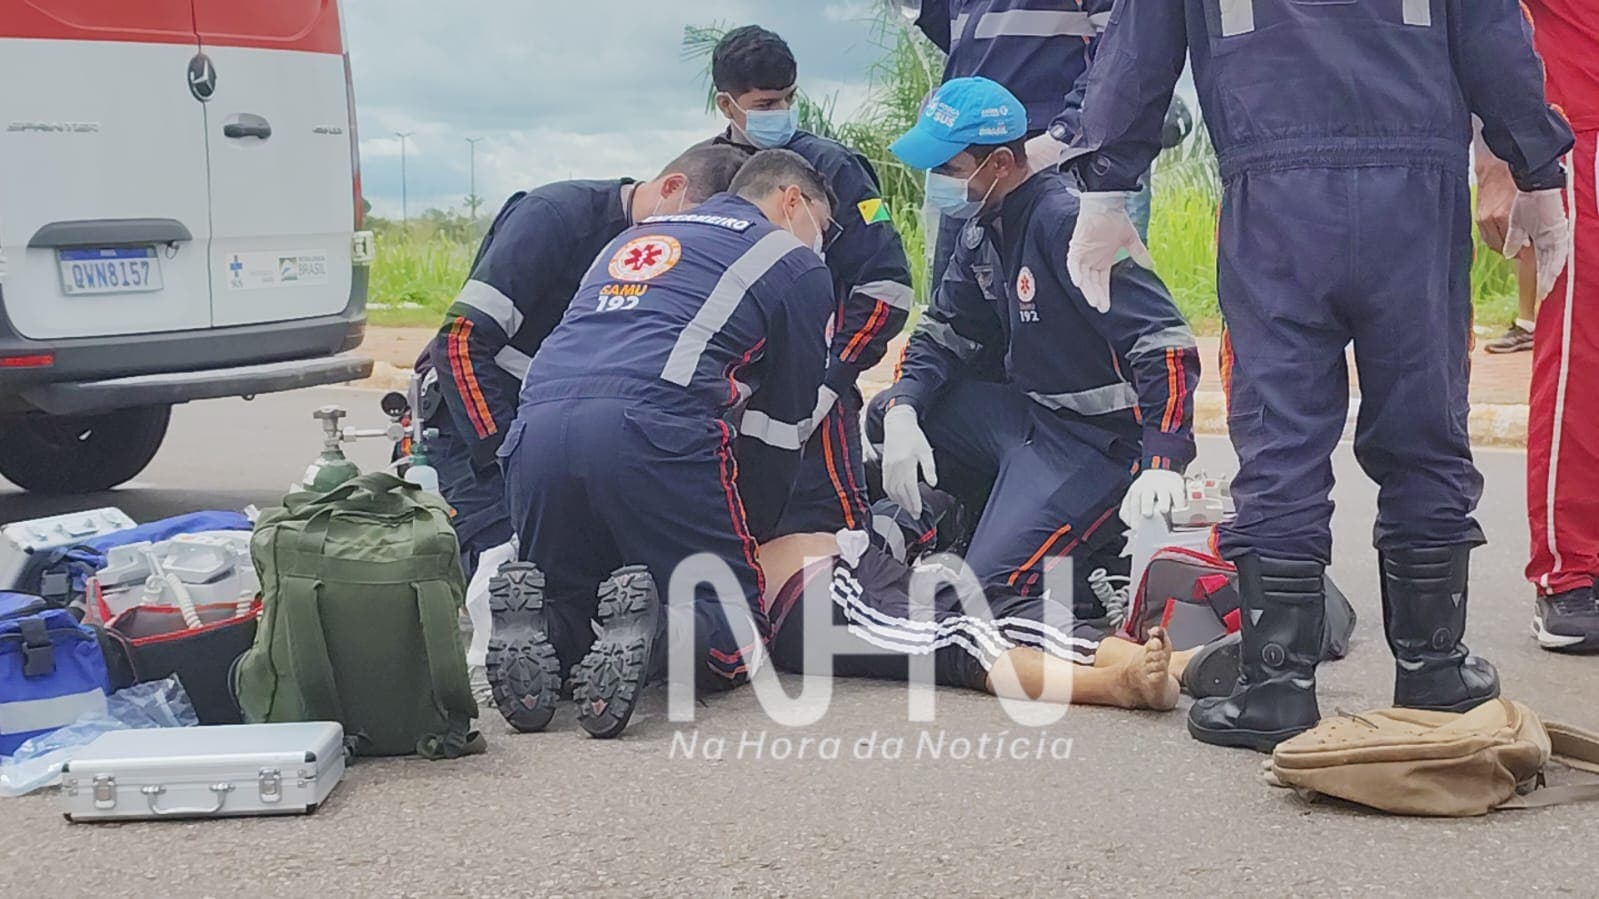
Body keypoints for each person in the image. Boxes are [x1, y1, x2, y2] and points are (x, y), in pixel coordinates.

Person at [1067, 0, 1575, 751]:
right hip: (1413, 196)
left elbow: (1138, 49)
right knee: (1424, 423)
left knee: (1279, 433)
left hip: (1274, 198)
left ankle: (1275, 682)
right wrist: (1536, 168)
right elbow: (1493, 36)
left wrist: (1104, 188)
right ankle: (1434, 667)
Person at [491, 150, 837, 739]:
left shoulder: (635, 237)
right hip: (652, 429)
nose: (818, 242)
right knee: (734, 624)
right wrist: (751, 532)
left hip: (536, 428)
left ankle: (544, 627)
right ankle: (656, 634)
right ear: (791, 201)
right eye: (821, 227)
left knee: (574, 594)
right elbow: (779, 428)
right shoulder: (793, 262)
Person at [868, 77, 1200, 620]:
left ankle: (1079, 569)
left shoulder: (1068, 224)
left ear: (1000, 163)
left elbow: (1162, 340)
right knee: (889, 412)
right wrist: (904, 406)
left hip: (1096, 444)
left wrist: (1163, 458)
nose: (938, 182)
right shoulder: (984, 228)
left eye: (949, 168)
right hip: (1028, 418)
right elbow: (944, 331)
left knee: (982, 598)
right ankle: (981, 523)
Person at [418, 146, 748, 575]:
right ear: (672, 187)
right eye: (698, 222)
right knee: (509, 572)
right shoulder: (554, 217)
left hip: (564, 435)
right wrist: (505, 457)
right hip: (479, 425)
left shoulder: (673, 254)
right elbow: (460, 340)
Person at [701, 25, 915, 540]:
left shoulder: (834, 169)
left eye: (788, 99)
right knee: (731, 534)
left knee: (838, 537)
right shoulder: (703, 174)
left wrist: (829, 381)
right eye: (765, 103)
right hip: (725, 396)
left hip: (816, 386)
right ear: (727, 105)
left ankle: (914, 525)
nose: (780, 112)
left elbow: (885, 287)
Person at [902, 0, 1190, 286]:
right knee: (960, 291)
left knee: (1087, 288)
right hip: (967, 154)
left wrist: (1062, 136)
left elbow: (1125, 49)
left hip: (1053, 157)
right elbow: (963, 37)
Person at [1476, 0, 1599, 652]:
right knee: (1582, 360)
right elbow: (1484, 14)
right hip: (1582, 128)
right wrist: (1498, 156)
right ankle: (1568, 572)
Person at [761, 530, 1198, 711]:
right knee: (962, 638)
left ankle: (1174, 664)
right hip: (804, 600)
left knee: (997, 606)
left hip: (858, 558)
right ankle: (1115, 686)